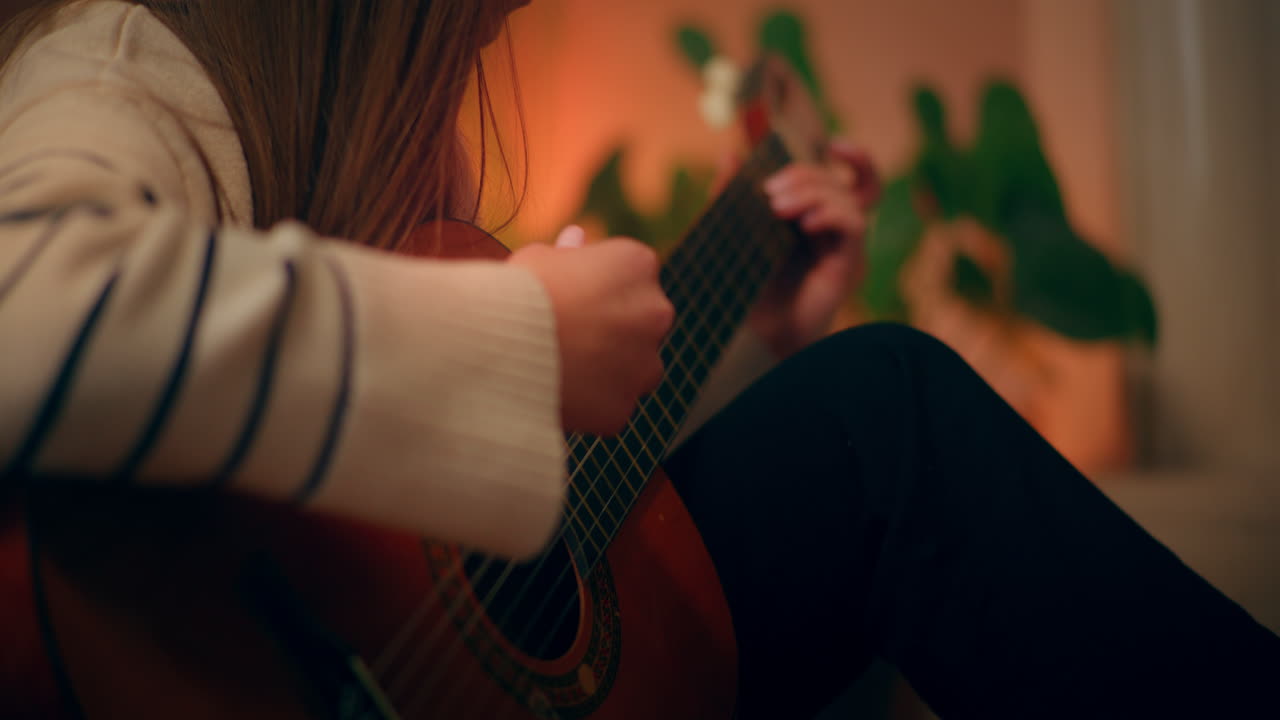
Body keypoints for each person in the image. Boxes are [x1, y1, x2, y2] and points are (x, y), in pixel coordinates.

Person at [0, 1, 1275, 718]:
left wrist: (751, 326)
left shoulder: (401, 115)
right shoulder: (124, 67)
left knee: (870, 415)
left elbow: (486, 527)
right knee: (891, 413)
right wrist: (521, 338)